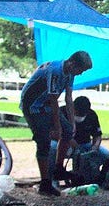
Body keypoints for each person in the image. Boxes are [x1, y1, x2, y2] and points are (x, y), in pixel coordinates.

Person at [20, 51, 93, 197]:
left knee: (67, 131)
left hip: (46, 103)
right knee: (44, 141)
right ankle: (45, 182)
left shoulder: (70, 73)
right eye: (81, 70)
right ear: (72, 63)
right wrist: (57, 126)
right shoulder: (55, 71)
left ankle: (59, 168)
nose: (80, 74)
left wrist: (71, 123)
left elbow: (68, 98)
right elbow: (54, 100)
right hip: (34, 105)